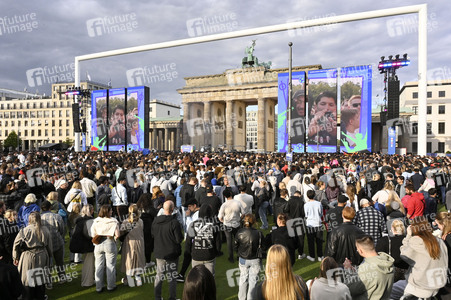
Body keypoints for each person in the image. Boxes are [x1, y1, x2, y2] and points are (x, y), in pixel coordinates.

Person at [390, 216, 448, 299]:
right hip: (438, 283)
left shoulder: (416, 241)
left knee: (390, 290)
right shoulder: (439, 241)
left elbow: (403, 255)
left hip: (420, 285)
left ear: (413, 228)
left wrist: (408, 236)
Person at [13, 212, 53, 300]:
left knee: (27, 279)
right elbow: (49, 245)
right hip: (42, 255)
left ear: (29, 219)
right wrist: (50, 255)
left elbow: (15, 244)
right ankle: (40, 296)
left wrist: (15, 257)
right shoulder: (45, 229)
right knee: (40, 279)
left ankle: (28, 296)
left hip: (27, 256)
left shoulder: (24, 230)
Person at [343, 235, 394, 300]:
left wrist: (348, 270)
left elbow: (348, 289)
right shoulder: (387, 263)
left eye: (357, 249)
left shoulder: (365, 269)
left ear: (360, 251)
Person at [152, 200, 183, 300]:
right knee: (172, 276)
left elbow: (153, 234)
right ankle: (172, 298)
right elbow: (179, 239)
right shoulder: (174, 223)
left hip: (160, 252)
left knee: (159, 275)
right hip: (171, 253)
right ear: (172, 209)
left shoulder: (156, 221)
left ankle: (158, 297)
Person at [234, 214, 265, 300]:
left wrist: (240, 253)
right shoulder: (259, 233)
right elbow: (263, 246)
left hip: (243, 259)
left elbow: (235, 246)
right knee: (253, 281)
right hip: (255, 260)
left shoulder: (240, 232)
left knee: (243, 279)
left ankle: (242, 298)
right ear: (254, 221)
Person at [91, 205, 120, 293]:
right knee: (110, 265)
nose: (112, 212)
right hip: (109, 242)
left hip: (98, 243)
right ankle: (111, 286)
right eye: (110, 211)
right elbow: (117, 235)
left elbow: (93, 234)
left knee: (98, 266)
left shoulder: (96, 221)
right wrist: (114, 239)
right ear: (107, 212)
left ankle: (99, 287)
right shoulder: (113, 221)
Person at [185, 204, 219, 276]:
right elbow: (217, 242)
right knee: (210, 279)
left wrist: (190, 253)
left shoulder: (193, 225)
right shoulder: (214, 225)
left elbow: (188, 242)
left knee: (197, 279)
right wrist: (215, 252)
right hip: (209, 255)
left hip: (197, 255)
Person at [40, 200, 66, 287]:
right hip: (57, 241)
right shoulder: (56, 216)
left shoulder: (39, 218)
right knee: (59, 262)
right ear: (50, 207)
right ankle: (62, 278)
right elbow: (62, 229)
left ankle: (48, 282)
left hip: (45, 244)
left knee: (47, 265)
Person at [69, 204, 95, 287]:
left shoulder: (79, 220)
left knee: (87, 263)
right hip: (88, 245)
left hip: (80, 244)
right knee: (89, 263)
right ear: (90, 211)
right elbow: (91, 234)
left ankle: (87, 280)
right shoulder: (89, 221)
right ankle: (88, 282)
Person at [120, 204, 145, 287]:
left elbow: (121, 233)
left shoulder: (125, 222)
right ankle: (138, 280)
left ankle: (130, 281)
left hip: (129, 243)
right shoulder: (140, 221)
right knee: (137, 260)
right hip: (139, 243)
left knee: (129, 261)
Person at [218, 189, 244, 263]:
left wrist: (224, 221)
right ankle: (239, 256)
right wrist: (239, 219)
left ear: (224, 196)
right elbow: (243, 213)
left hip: (227, 225)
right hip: (236, 224)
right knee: (238, 240)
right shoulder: (238, 203)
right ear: (231, 194)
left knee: (229, 241)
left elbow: (220, 217)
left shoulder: (224, 205)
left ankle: (231, 257)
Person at [304, 189, 324, 262]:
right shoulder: (318, 203)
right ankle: (320, 255)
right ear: (314, 195)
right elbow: (321, 213)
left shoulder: (306, 205)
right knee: (319, 241)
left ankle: (312, 256)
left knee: (310, 241)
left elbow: (306, 215)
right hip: (318, 223)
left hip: (310, 224)